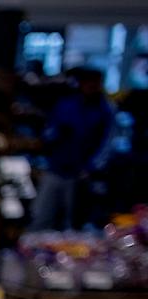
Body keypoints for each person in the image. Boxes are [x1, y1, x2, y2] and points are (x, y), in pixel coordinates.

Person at [33, 68, 116, 231]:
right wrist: (54, 135)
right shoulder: (67, 104)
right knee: (42, 215)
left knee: (74, 222)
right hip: (56, 168)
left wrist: (91, 167)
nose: (91, 86)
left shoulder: (105, 110)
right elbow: (48, 132)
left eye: (95, 83)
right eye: (87, 82)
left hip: (81, 174)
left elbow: (108, 144)